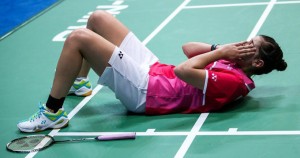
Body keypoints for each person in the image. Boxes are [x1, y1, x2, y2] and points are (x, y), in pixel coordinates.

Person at [17, 11, 287, 132]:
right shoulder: (232, 60)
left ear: (258, 63)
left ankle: (52, 113)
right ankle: (79, 82)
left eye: (249, 45)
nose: (243, 43)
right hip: (155, 70)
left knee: (79, 38)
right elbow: (187, 48)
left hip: (147, 92)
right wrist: (222, 47)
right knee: (98, 19)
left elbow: (183, 71)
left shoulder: (232, 82)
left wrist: (220, 54)